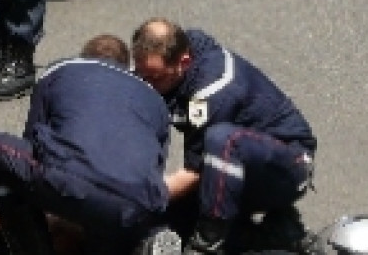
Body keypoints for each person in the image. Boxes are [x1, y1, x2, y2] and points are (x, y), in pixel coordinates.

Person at [0, 35, 181, 255]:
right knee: (111, 220)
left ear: (84, 57)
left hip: (71, 180)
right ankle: (141, 242)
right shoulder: (156, 101)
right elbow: (155, 170)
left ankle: (28, 245)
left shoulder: (62, 69)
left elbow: (34, 142)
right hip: (136, 204)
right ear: (125, 65)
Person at [130, 18, 318, 255]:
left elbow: (194, 172)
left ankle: (207, 243)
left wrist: (138, 198)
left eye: (154, 78)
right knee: (163, 220)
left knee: (223, 141)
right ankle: (278, 233)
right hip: (232, 170)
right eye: (142, 75)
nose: (146, 84)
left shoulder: (212, 92)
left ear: (183, 62)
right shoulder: (171, 58)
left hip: (288, 166)